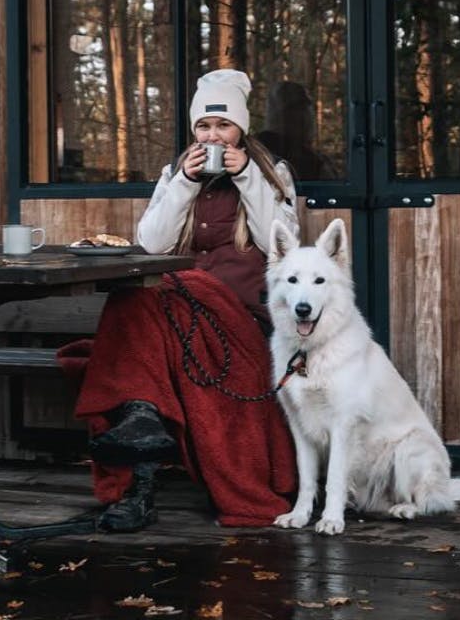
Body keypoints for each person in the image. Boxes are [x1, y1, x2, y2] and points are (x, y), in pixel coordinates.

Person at [60, 69, 300, 532]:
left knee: (135, 317)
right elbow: (152, 245)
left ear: (240, 129)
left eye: (223, 126)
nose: (213, 136)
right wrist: (184, 185)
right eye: (204, 127)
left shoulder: (272, 172)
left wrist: (247, 177)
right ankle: (142, 425)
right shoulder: (176, 173)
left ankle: (136, 467)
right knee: (136, 302)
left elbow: (284, 244)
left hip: (240, 319)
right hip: (175, 315)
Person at [254, 80, 336, 182]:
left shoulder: (314, 160)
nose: (305, 115)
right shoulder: (256, 151)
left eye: (305, 108)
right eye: (297, 108)